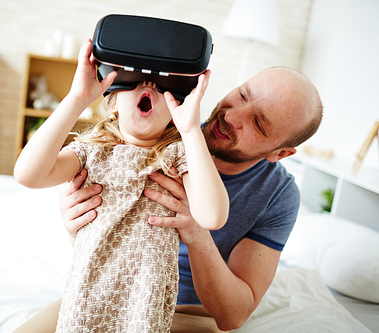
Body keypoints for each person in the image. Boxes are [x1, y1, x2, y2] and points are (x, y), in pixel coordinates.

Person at [51, 66, 323, 332]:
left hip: (189, 312)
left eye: (257, 123)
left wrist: (196, 232)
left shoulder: (278, 193)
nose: (232, 117)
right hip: (107, 293)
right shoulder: (159, 130)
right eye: (242, 95)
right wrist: (77, 219)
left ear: (280, 153)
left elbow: (233, 316)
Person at [13, 39, 229, 332]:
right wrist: (77, 98)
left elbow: (212, 216)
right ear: (112, 101)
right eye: (136, 80)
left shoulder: (178, 155)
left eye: (160, 85)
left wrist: (190, 129)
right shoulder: (91, 151)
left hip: (144, 301)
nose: (149, 86)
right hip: (89, 292)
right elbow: (28, 174)